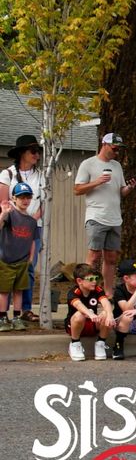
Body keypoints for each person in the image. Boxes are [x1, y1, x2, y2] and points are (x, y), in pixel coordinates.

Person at [74, 133, 136, 293]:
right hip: (96, 217)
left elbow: (121, 192)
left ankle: (107, 293)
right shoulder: (88, 164)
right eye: (115, 148)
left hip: (114, 218)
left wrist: (129, 187)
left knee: (111, 258)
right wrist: (97, 181)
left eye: (119, 150)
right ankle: (86, 291)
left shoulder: (117, 165)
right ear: (104, 144)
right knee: (94, 257)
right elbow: (77, 189)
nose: (117, 152)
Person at [0, 135, 46, 324]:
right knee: (7, 269)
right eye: (32, 151)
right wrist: (18, 220)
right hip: (11, 229)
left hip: (33, 227)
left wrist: (31, 221)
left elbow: (44, 203)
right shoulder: (7, 174)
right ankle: (4, 312)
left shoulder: (42, 176)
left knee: (27, 268)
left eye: (38, 151)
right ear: (21, 153)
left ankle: (24, 310)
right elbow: (3, 202)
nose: (37, 155)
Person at [0, 182, 37, 331]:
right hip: (6, 260)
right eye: (21, 197)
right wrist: (3, 213)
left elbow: (33, 241)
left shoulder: (32, 221)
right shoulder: (9, 215)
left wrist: (30, 258)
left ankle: (16, 317)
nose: (25, 200)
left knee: (19, 290)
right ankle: (2, 317)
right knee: (3, 290)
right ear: (14, 198)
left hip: (22, 261)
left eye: (28, 197)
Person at [65, 263, 115, 361]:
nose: (94, 282)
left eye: (96, 278)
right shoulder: (73, 292)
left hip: (92, 323)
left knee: (106, 314)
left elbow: (105, 303)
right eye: (91, 279)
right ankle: (75, 343)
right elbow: (78, 305)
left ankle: (101, 343)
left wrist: (110, 314)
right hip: (75, 325)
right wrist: (90, 313)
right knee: (80, 314)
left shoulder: (97, 290)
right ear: (80, 281)